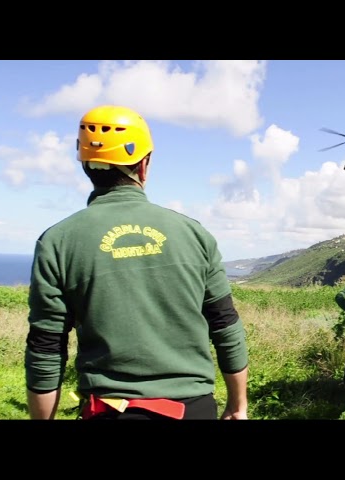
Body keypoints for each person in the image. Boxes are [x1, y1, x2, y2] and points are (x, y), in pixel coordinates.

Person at [24, 105, 249, 420]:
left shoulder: (57, 242)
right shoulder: (193, 233)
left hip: (106, 411)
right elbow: (225, 323)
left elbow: (46, 347)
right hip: (191, 409)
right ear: (144, 165)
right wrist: (238, 405)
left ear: (87, 166)